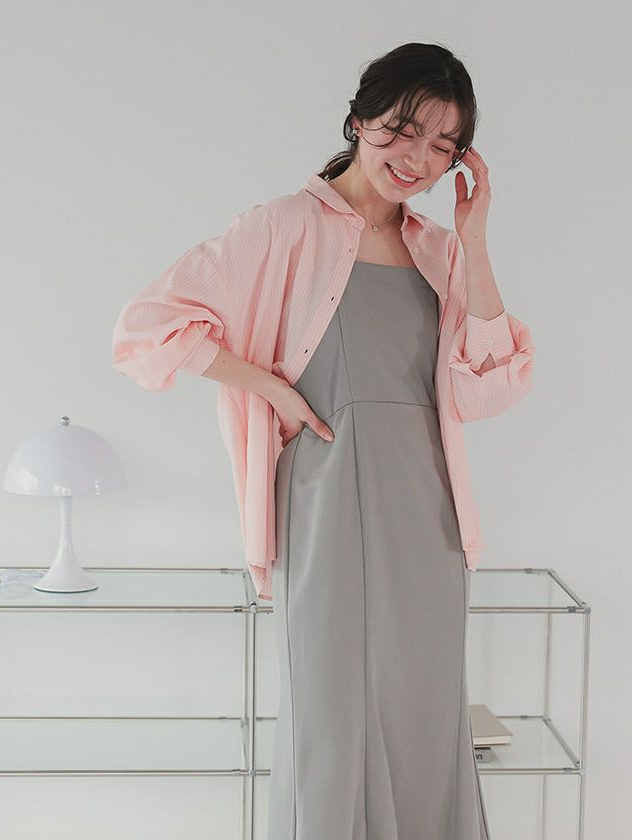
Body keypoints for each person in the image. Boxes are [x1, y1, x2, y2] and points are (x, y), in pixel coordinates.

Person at [111, 41, 535, 840]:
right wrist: (269, 386)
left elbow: (493, 382)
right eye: (402, 129)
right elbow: (145, 329)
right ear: (359, 119)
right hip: (324, 500)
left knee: (425, 721)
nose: (417, 158)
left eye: (442, 145)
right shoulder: (282, 228)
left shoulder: (438, 250)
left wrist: (475, 241)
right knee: (331, 720)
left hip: (428, 516)